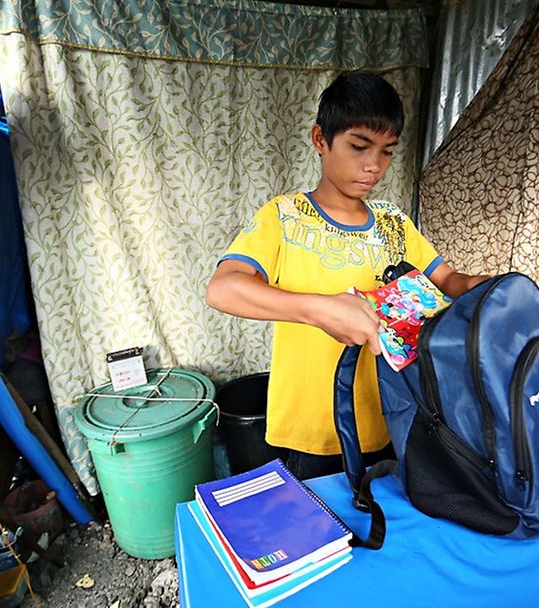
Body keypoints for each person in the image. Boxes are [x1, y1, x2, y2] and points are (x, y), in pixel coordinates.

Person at [206, 72, 488, 479]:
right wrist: (319, 310)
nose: (374, 165)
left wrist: (485, 286)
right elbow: (223, 288)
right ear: (320, 139)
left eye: (387, 151)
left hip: (393, 420)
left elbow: (449, 281)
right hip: (312, 435)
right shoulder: (283, 218)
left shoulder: (393, 222)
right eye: (359, 146)